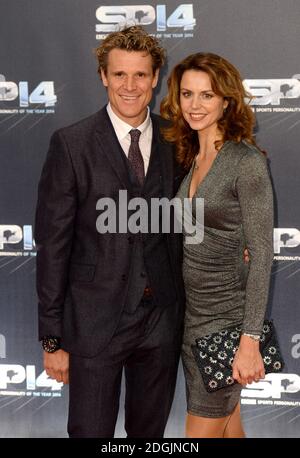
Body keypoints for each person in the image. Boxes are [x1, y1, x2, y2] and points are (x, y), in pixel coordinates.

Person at [34, 26, 185, 438]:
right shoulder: (71, 144)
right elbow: (53, 245)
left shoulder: (178, 141)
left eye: (140, 75)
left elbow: (197, 215)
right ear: (103, 76)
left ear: (155, 77)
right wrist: (52, 337)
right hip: (94, 322)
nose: (130, 86)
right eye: (119, 74)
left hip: (161, 321)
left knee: (148, 438)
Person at [160, 52, 274, 438]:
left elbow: (261, 257)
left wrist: (250, 341)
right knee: (229, 430)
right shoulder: (192, 156)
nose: (194, 105)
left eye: (206, 95)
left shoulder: (245, 162)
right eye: (187, 94)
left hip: (227, 321)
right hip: (193, 319)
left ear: (226, 100)